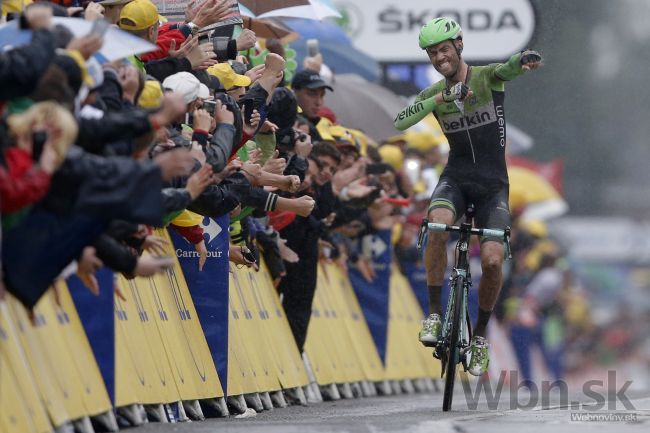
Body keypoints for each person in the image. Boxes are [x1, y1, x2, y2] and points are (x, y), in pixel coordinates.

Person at [394, 17, 543, 376]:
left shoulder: (485, 77)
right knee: (437, 225)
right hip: (456, 180)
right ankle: (433, 313)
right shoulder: (434, 95)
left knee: (492, 261)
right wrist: (442, 97)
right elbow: (401, 121)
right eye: (432, 53)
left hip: (494, 186)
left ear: (459, 45)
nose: (439, 58)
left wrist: (523, 62)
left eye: (443, 49)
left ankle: (479, 337)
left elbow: (508, 68)